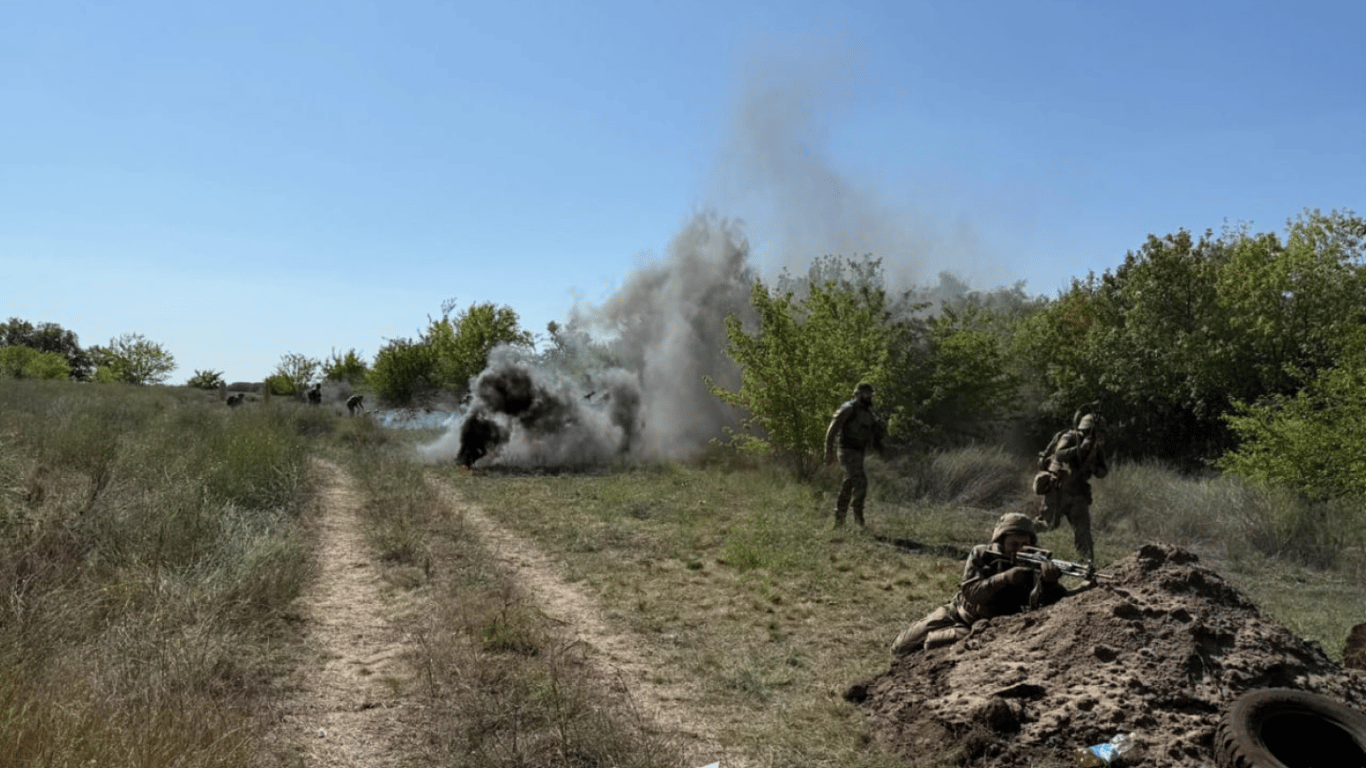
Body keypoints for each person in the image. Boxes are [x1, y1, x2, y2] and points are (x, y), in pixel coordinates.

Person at [891, 513, 1065, 656]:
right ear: (1001, 541)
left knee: (932, 646)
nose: (1019, 549)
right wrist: (1004, 578)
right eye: (1014, 544)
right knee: (899, 648)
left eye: (1025, 544)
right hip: (958, 611)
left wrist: (1049, 583)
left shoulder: (1036, 564)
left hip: (986, 629)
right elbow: (971, 593)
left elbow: (1046, 608)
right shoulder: (982, 554)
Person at [1036, 411, 1109, 562]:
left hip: (1079, 493)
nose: (1096, 435)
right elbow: (1059, 454)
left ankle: (1087, 564)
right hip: (1058, 491)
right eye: (1094, 431)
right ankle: (1015, 532)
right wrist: (1080, 449)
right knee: (1048, 525)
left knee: (1083, 532)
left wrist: (1094, 467)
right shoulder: (1070, 437)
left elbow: (1103, 472)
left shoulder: (1096, 447)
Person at [824, 382, 886, 527]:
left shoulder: (868, 413)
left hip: (858, 452)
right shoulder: (848, 408)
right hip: (846, 450)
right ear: (857, 395)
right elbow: (832, 430)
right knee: (860, 481)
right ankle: (858, 518)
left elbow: (873, 435)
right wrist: (828, 452)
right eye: (865, 394)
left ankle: (839, 520)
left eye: (870, 394)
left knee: (849, 482)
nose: (868, 397)